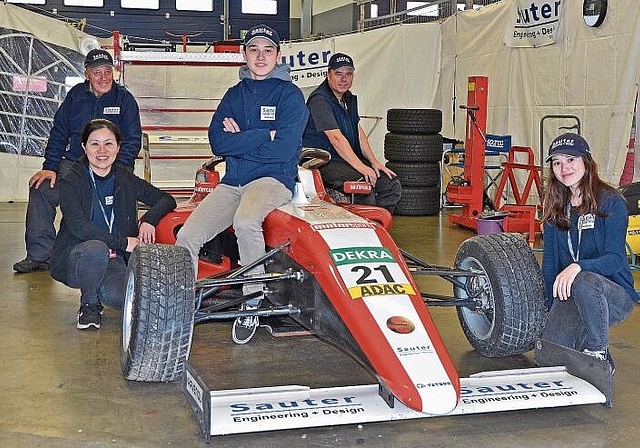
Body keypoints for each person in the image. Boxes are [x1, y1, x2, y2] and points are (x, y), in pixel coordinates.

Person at [175, 24, 308, 344]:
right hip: (233, 180)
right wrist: (265, 134)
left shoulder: (290, 95)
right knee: (188, 236)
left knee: (246, 220)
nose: (260, 57)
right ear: (244, 54)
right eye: (254, 50)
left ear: (278, 55)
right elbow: (218, 142)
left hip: (273, 178)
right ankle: (180, 305)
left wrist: (242, 140)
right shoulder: (235, 95)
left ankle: (252, 301)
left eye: (267, 50)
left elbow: (287, 148)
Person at [13, 49, 142, 273]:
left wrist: (114, 170)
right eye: (97, 72)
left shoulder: (125, 100)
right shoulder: (75, 96)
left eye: (107, 71)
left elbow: (132, 140)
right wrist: (50, 167)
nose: (103, 77)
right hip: (74, 166)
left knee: (120, 199)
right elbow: (59, 132)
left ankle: (123, 252)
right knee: (41, 187)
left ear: (114, 72)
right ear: (87, 74)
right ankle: (41, 255)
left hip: (111, 167)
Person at [50, 119, 175, 330]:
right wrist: (124, 242)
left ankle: (99, 289)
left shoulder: (124, 177)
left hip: (114, 260)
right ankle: (89, 305)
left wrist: (148, 221)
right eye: (94, 143)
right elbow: (80, 227)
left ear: (118, 147)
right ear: (84, 147)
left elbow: (166, 199)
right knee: (96, 248)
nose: (102, 150)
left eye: (108, 143)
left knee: (133, 302)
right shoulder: (71, 180)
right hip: (79, 258)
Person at [541, 133, 638, 372]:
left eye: (571, 159)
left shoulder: (611, 202)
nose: (564, 168)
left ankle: (598, 352)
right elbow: (551, 263)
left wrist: (579, 266)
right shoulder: (555, 206)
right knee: (549, 357)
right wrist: (549, 308)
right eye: (557, 163)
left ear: (586, 161)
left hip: (612, 296)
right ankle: (588, 347)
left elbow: (615, 259)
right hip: (572, 296)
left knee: (583, 278)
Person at [302, 52, 401, 213]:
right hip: (322, 162)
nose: (344, 79)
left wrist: (374, 162)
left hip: (344, 160)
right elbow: (335, 138)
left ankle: (378, 228)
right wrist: (362, 167)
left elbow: (357, 130)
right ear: (328, 74)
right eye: (338, 74)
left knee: (390, 183)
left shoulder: (348, 98)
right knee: (362, 184)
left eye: (348, 74)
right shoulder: (319, 100)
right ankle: (362, 232)